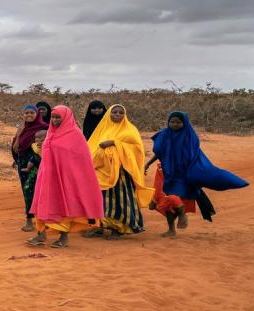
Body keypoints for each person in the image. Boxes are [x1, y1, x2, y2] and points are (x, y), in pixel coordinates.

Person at [144, 111, 248, 227]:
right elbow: (159, 153)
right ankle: (171, 229)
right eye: (172, 122)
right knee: (162, 198)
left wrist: (191, 171)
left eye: (178, 122)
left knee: (173, 195)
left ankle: (182, 213)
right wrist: (148, 163)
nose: (174, 124)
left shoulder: (190, 136)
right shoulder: (164, 135)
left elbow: (193, 155)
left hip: (182, 173)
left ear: (185, 123)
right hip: (164, 171)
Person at [26, 105, 104, 249]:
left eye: (58, 118)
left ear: (66, 118)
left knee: (62, 205)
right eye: (53, 117)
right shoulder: (50, 133)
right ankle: (41, 234)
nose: (54, 120)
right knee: (42, 203)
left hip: (65, 179)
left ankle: (63, 237)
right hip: (47, 176)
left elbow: (81, 160)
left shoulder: (76, 135)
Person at [85, 104, 153, 239]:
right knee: (101, 199)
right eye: (114, 112)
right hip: (102, 170)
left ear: (125, 115)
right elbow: (92, 147)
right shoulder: (103, 129)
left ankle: (119, 228)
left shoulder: (130, 130)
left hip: (122, 173)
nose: (117, 114)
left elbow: (137, 149)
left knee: (120, 199)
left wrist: (114, 143)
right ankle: (101, 226)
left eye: (120, 113)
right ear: (108, 114)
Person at [11, 105, 48, 231]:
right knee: (26, 191)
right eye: (26, 113)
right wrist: (19, 134)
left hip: (39, 164)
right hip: (22, 164)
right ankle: (29, 220)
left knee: (39, 191)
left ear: (37, 114)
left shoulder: (44, 128)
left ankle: (44, 219)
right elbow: (16, 148)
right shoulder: (22, 129)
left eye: (32, 113)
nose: (29, 115)